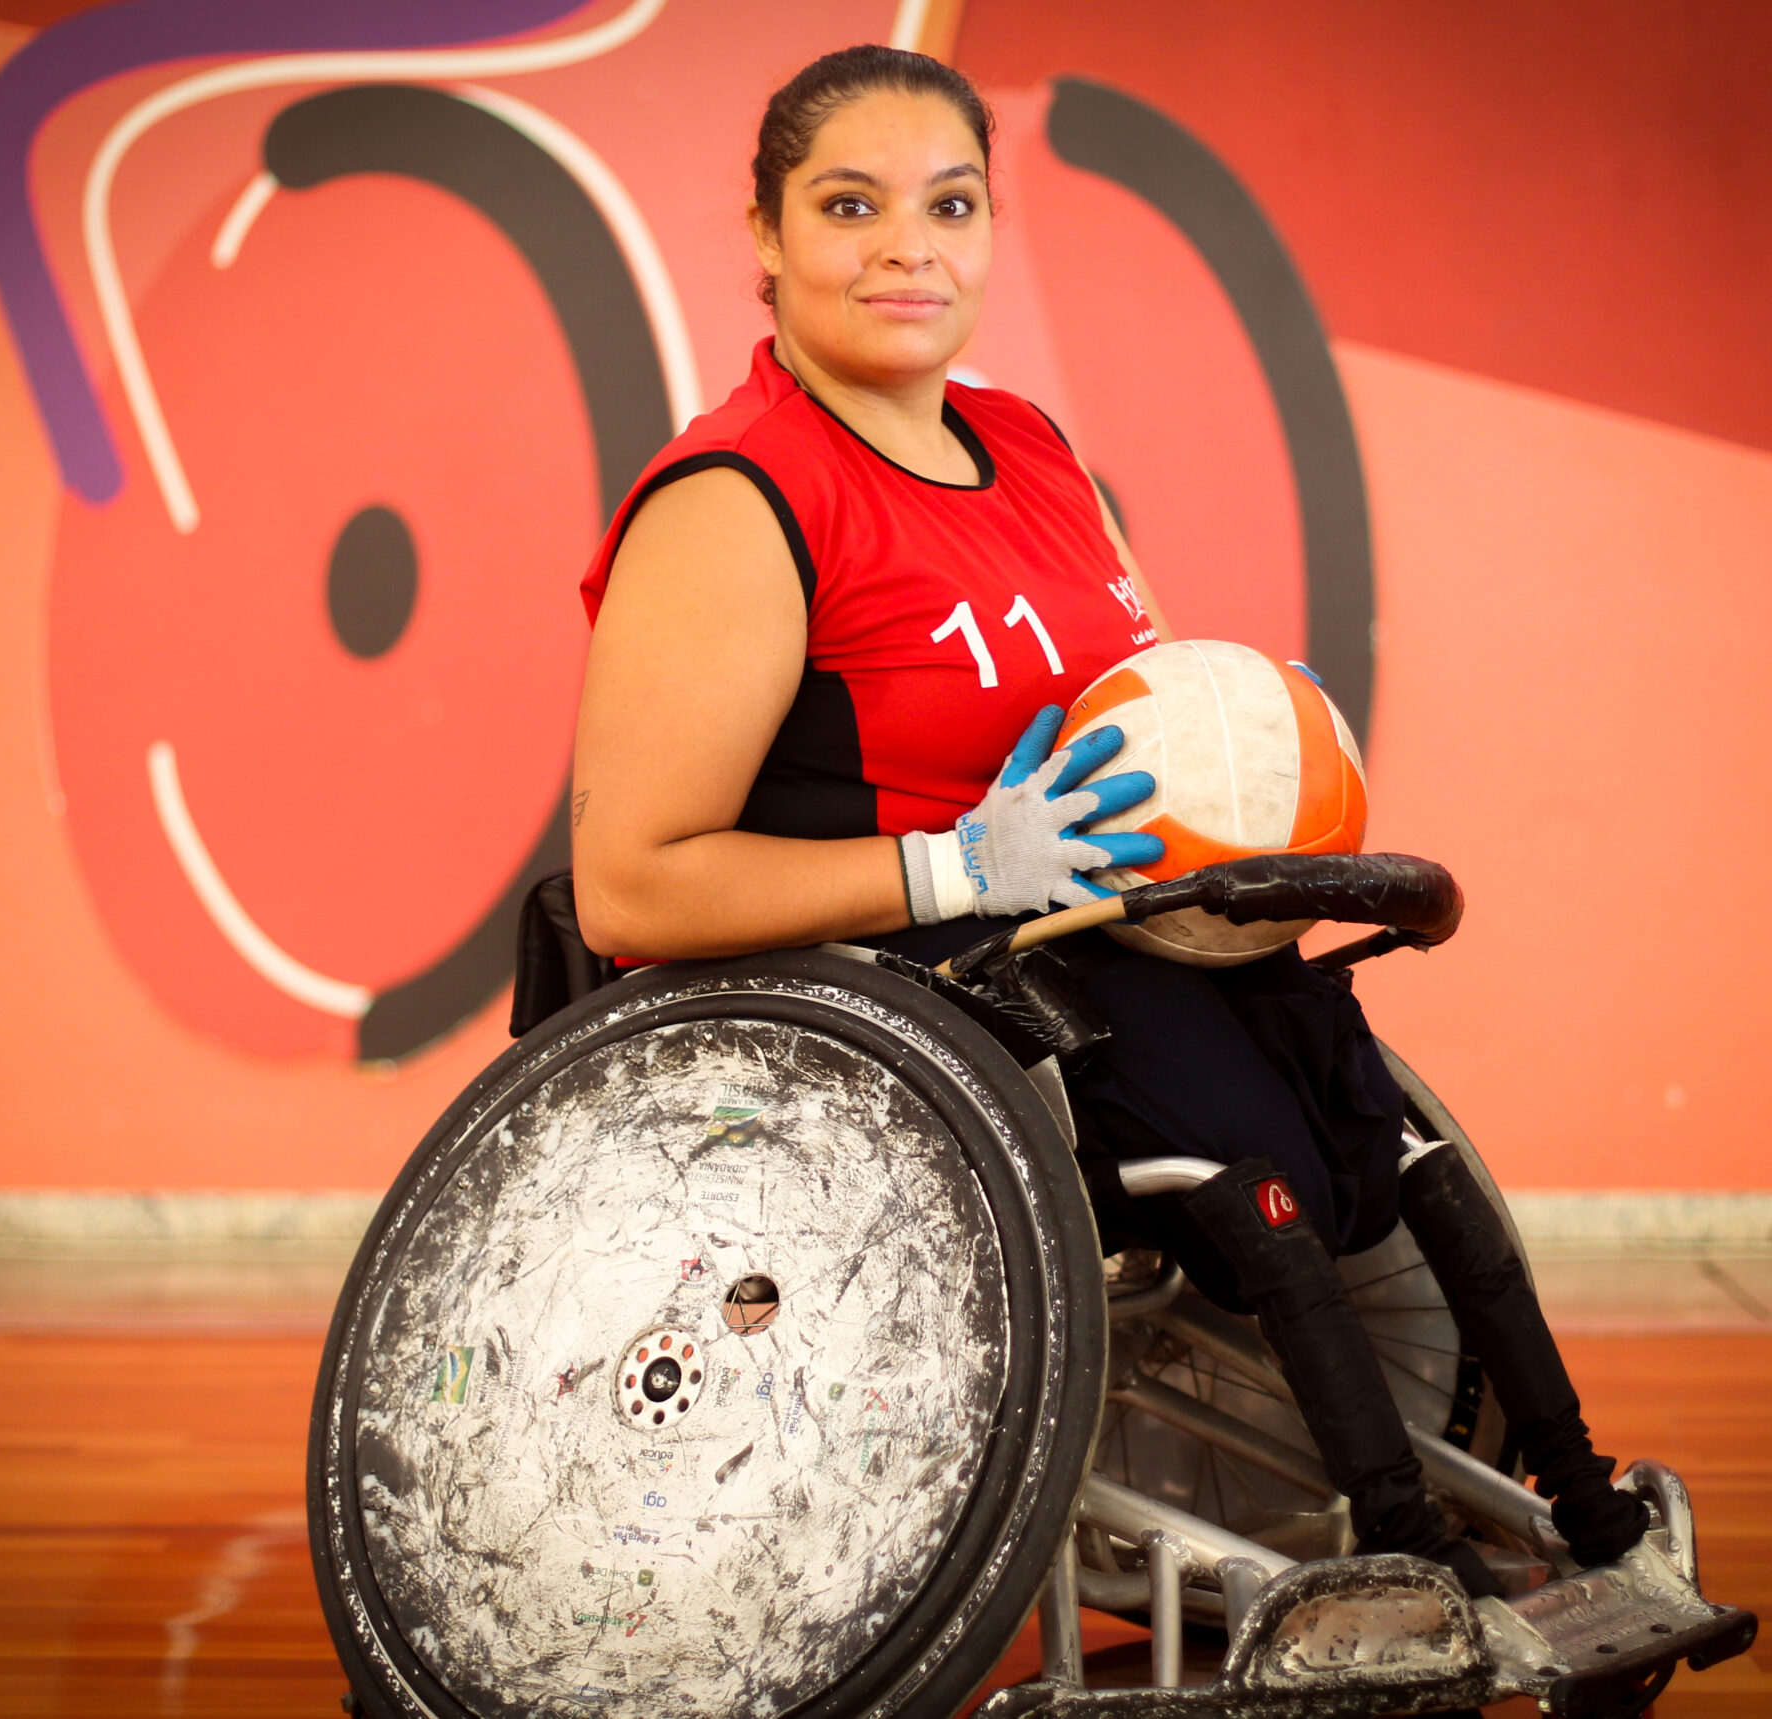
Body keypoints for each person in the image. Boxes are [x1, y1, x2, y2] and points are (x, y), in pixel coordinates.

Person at [568, 44, 1646, 1603]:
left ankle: (1578, 1498)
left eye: (948, 204)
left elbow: (1123, 711)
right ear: (763, 235)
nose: (905, 248)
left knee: (1374, 1122)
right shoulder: (739, 499)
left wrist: (1251, 758)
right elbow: (630, 887)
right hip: (916, 974)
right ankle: (1397, 1548)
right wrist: (952, 863)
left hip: (1091, 925)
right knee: (1229, 1139)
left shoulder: (1037, 454)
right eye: (848, 206)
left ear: (992, 227)